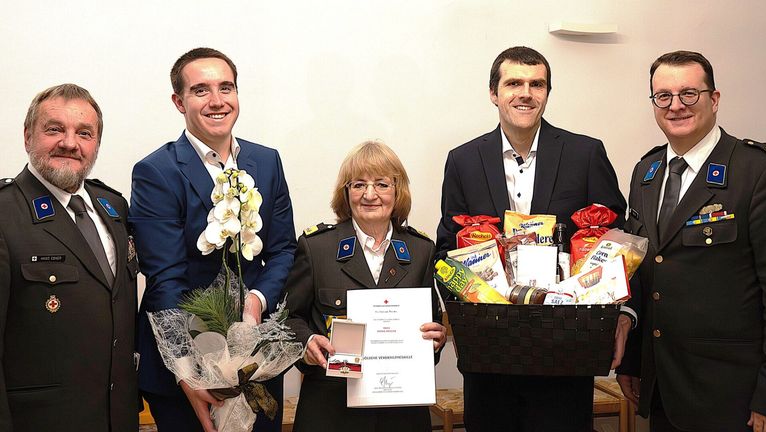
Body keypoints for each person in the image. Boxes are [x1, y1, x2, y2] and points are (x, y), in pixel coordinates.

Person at [436, 46, 628, 431]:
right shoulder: (462, 160)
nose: (526, 93)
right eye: (514, 83)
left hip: (565, 351)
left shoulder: (585, 153)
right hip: (489, 348)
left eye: (536, 84)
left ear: (547, 92)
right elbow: (446, 247)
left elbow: (615, 244)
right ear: (494, 93)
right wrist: (466, 315)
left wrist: (619, 314)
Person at [129, 47, 297, 432]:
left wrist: (255, 305)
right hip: (185, 364)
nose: (217, 101)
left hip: (257, 357)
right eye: (201, 90)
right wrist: (190, 369)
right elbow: (165, 280)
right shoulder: (156, 171)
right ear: (179, 101)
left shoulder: (267, 160)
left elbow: (283, 249)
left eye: (227, 87)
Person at [615, 50, 766, 432]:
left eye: (689, 94)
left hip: (731, 394)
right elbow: (642, 273)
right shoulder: (646, 172)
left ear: (714, 99)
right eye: (663, 96)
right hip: (662, 387)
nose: (675, 106)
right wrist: (633, 363)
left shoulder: (755, 171)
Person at [0, 84, 138, 431]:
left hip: (116, 418)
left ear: (96, 145)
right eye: (55, 129)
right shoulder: (4, 214)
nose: (70, 143)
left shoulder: (114, 208)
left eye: (84, 133)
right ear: (28, 135)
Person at [283, 141, 447, 432]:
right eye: (359, 184)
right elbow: (288, 319)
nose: (370, 195)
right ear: (346, 193)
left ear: (397, 192)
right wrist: (307, 343)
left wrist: (436, 339)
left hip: (401, 414)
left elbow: (430, 328)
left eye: (382, 184)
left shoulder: (421, 250)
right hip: (330, 410)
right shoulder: (316, 247)